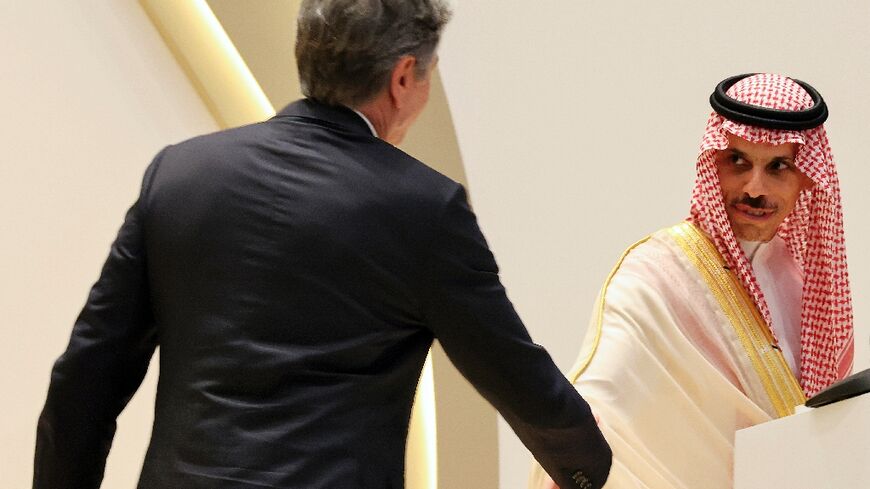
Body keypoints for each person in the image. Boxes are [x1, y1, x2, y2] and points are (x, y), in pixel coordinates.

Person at [34, 1, 612, 488]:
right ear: (404, 76)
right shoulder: (423, 209)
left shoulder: (180, 175)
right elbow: (512, 372)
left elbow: (87, 378)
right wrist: (590, 467)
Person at [530, 73, 854, 489]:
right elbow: (602, 396)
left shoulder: (803, 285)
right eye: (738, 162)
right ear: (712, 162)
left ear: (806, 179)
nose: (755, 188)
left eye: (778, 167)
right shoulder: (656, 273)